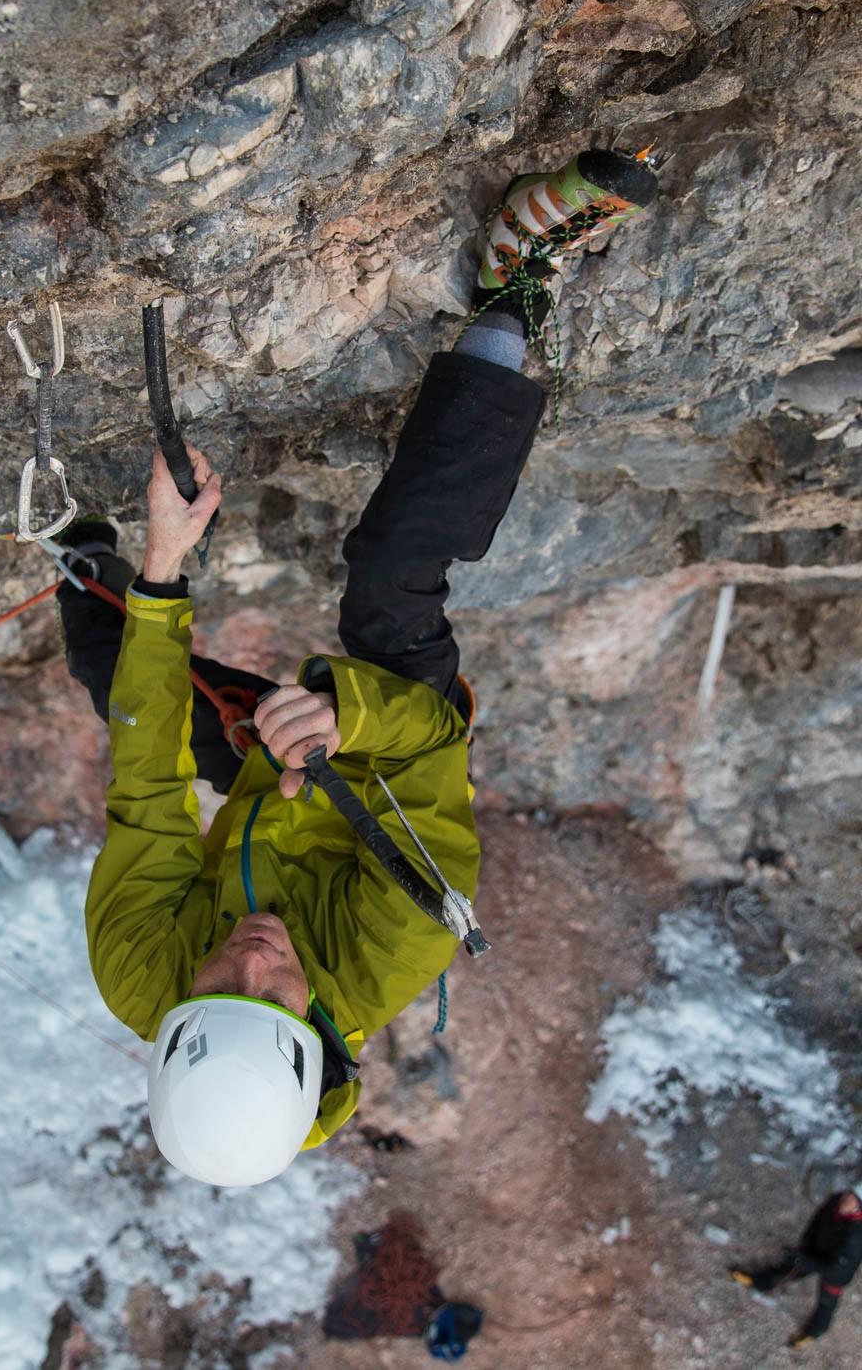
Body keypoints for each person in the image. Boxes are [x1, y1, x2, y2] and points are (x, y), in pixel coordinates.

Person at [57, 150, 658, 1186]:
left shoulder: (136, 974)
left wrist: (163, 560)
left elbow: (148, 783)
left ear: (172, 1018)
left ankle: (76, 545)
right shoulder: (400, 945)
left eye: (218, 981)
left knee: (117, 662)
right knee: (387, 581)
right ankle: (515, 289)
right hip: (377, 762)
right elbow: (434, 754)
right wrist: (347, 721)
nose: (250, 956)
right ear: (321, 1030)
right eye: (273, 987)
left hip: (265, 773)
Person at [730, 1186, 862, 1348]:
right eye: (849, 1193)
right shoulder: (837, 1201)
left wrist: (807, 1260)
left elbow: (838, 1268)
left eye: (852, 1198)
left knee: (826, 1302)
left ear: (858, 1207)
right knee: (788, 1268)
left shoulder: (857, 1236)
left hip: (835, 1272)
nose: (846, 1197)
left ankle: (815, 1331)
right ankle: (761, 1282)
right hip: (816, 1248)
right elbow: (818, 1219)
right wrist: (805, 1243)